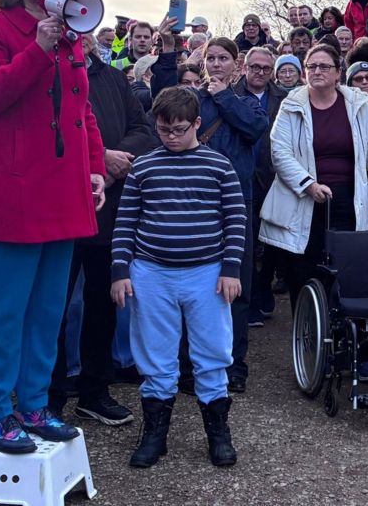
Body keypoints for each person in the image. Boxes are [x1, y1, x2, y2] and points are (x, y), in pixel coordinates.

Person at [0, 0, 107, 453]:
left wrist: (94, 169)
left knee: (49, 311)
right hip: (14, 193)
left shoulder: (72, 36)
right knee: (7, 311)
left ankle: (35, 404)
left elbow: (82, 112)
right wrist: (38, 46)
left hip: (64, 193)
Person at [111, 86, 244, 468]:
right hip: (152, 273)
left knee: (212, 354)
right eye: (164, 129)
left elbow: (235, 220)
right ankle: (155, 435)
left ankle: (218, 434)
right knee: (155, 356)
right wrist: (121, 271)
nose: (171, 136)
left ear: (197, 124)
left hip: (207, 274)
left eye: (179, 129)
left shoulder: (219, 166)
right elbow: (126, 223)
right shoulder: (144, 167)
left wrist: (231, 268)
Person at [151, 27, 269, 394]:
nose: (216, 65)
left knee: (237, 287)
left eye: (223, 59)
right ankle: (189, 366)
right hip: (196, 205)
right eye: (211, 58)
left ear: (236, 65)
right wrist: (168, 53)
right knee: (194, 287)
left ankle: (234, 366)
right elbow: (162, 102)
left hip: (238, 201)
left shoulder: (246, 99)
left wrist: (224, 98)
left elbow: (254, 129)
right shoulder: (191, 99)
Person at [47, 32, 156, 426]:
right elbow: (48, 132)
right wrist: (99, 158)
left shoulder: (112, 78)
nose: (84, 38)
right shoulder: (52, 72)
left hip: (109, 209)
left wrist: (114, 163)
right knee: (55, 306)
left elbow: (143, 130)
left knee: (102, 303)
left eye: (88, 30)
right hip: (62, 207)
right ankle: (51, 393)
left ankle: (95, 389)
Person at [259, 43, 368, 306]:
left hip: (348, 197)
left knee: (347, 264)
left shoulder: (358, 104)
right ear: (304, 72)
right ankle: (309, 328)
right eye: (312, 66)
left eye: (324, 66)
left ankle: (344, 325)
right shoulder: (291, 106)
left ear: (338, 72)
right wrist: (308, 185)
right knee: (303, 268)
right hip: (304, 200)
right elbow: (279, 152)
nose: (317, 71)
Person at [234, 47, 288, 327]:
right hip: (242, 177)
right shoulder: (231, 95)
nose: (260, 73)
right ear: (244, 67)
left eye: (266, 69)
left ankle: (263, 286)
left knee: (271, 241)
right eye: (255, 67)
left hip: (274, 177)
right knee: (246, 241)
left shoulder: (283, 98)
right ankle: (251, 299)